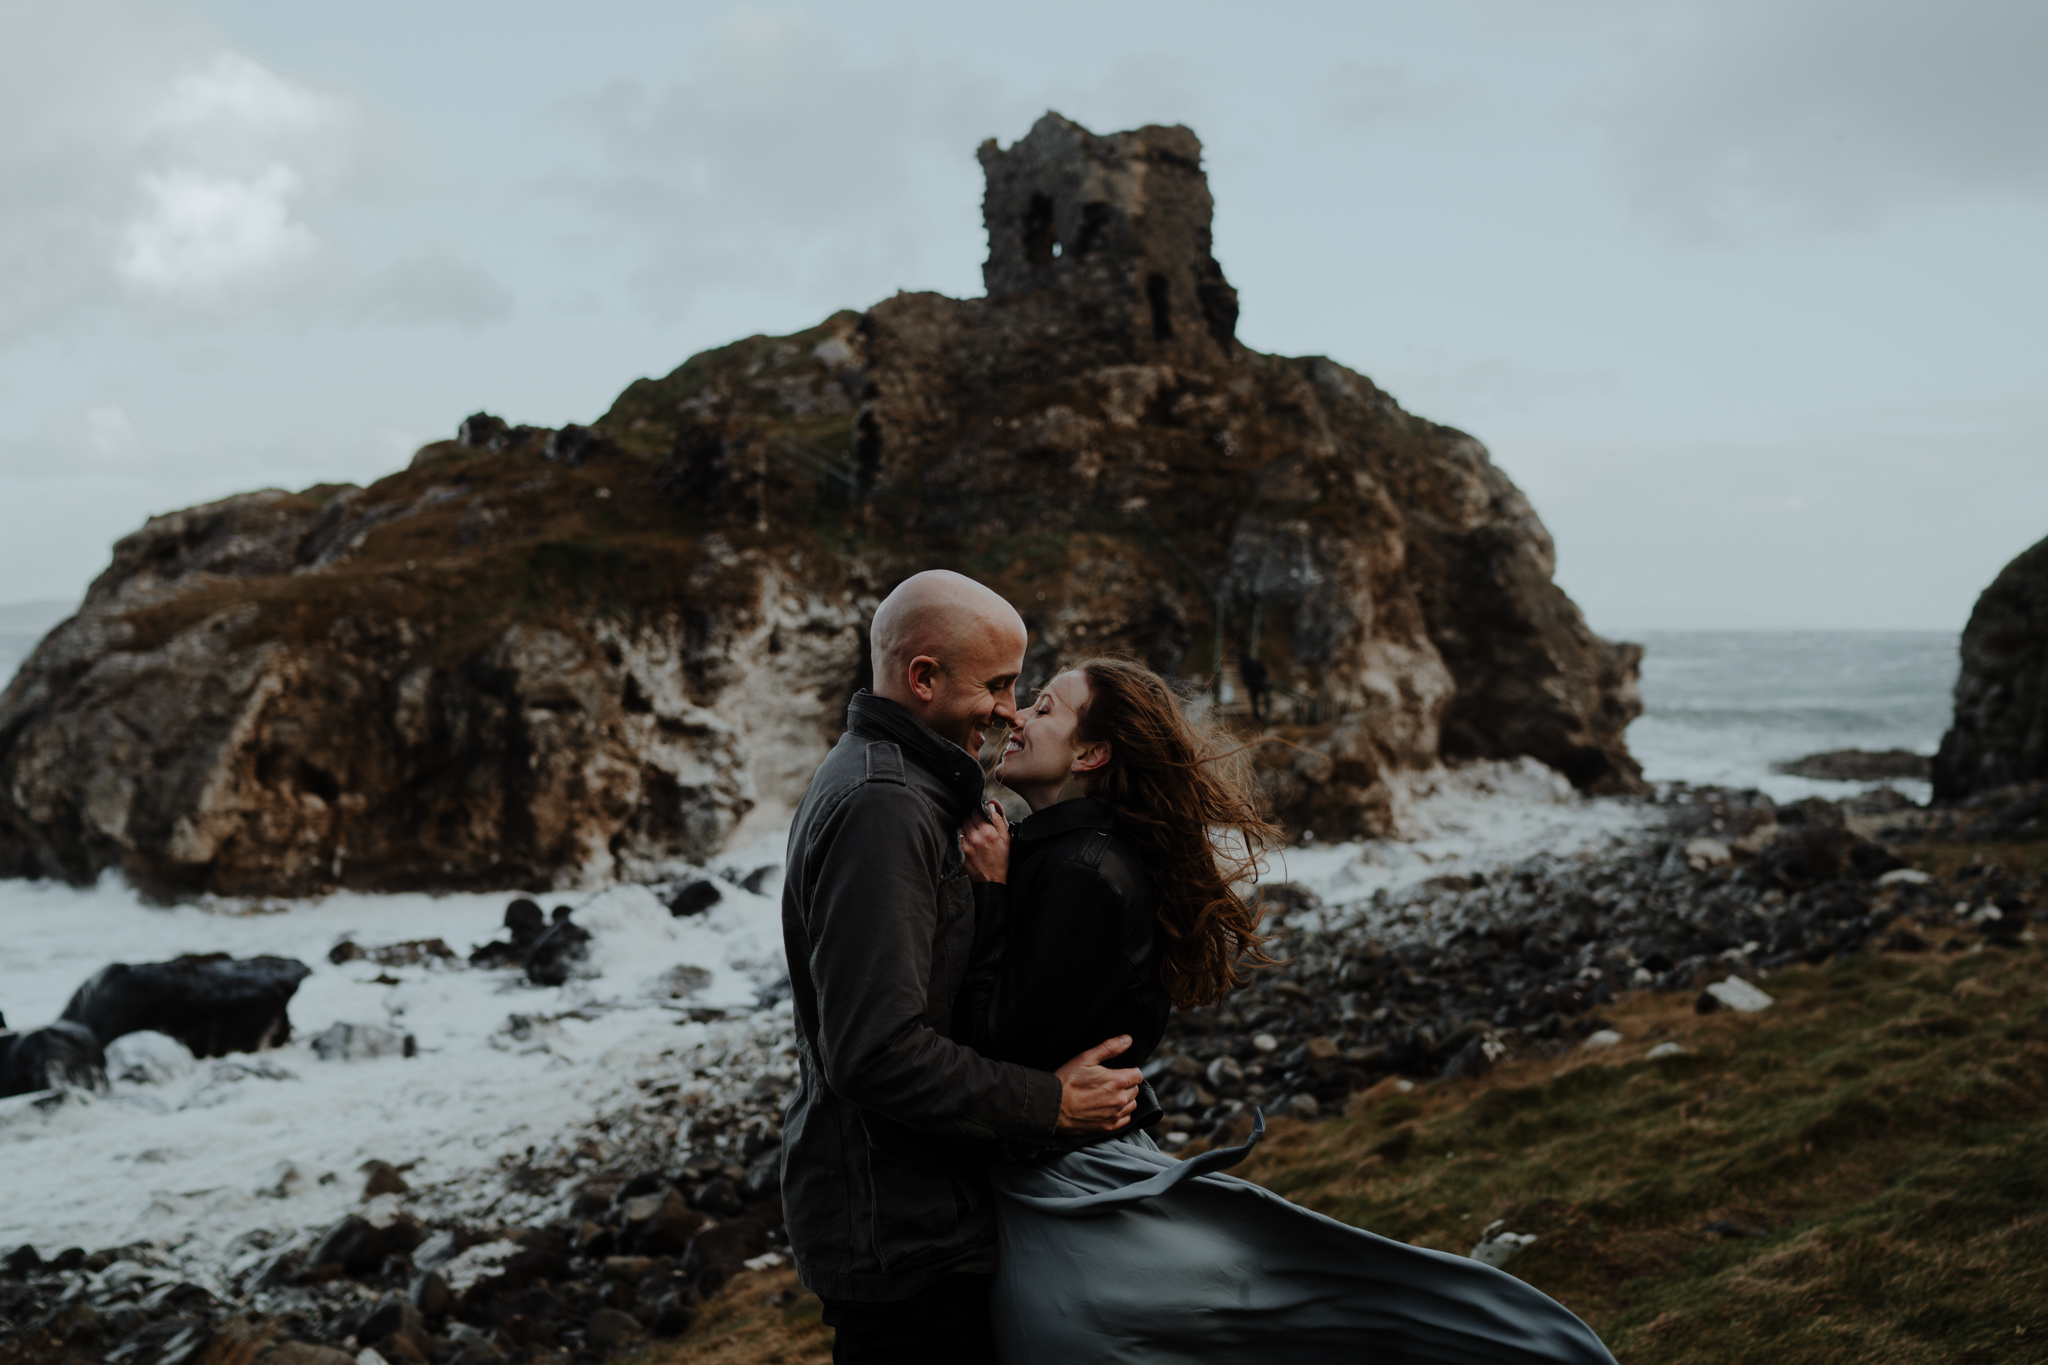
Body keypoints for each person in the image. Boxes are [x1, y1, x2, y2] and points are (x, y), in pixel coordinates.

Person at [958, 658, 1618, 1364]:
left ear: (1090, 753)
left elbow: (994, 1038)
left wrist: (991, 892)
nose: (1017, 716)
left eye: (1046, 708)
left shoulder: (1079, 872)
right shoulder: (1076, 855)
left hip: (1064, 1188)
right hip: (1076, 1169)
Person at [778, 571, 1145, 1365]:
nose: (1012, 710)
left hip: (922, 1216)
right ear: (922, 677)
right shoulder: (885, 804)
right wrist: (1051, 1104)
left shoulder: (914, 787)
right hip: (901, 1240)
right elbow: (875, 1050)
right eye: (1001, 685)